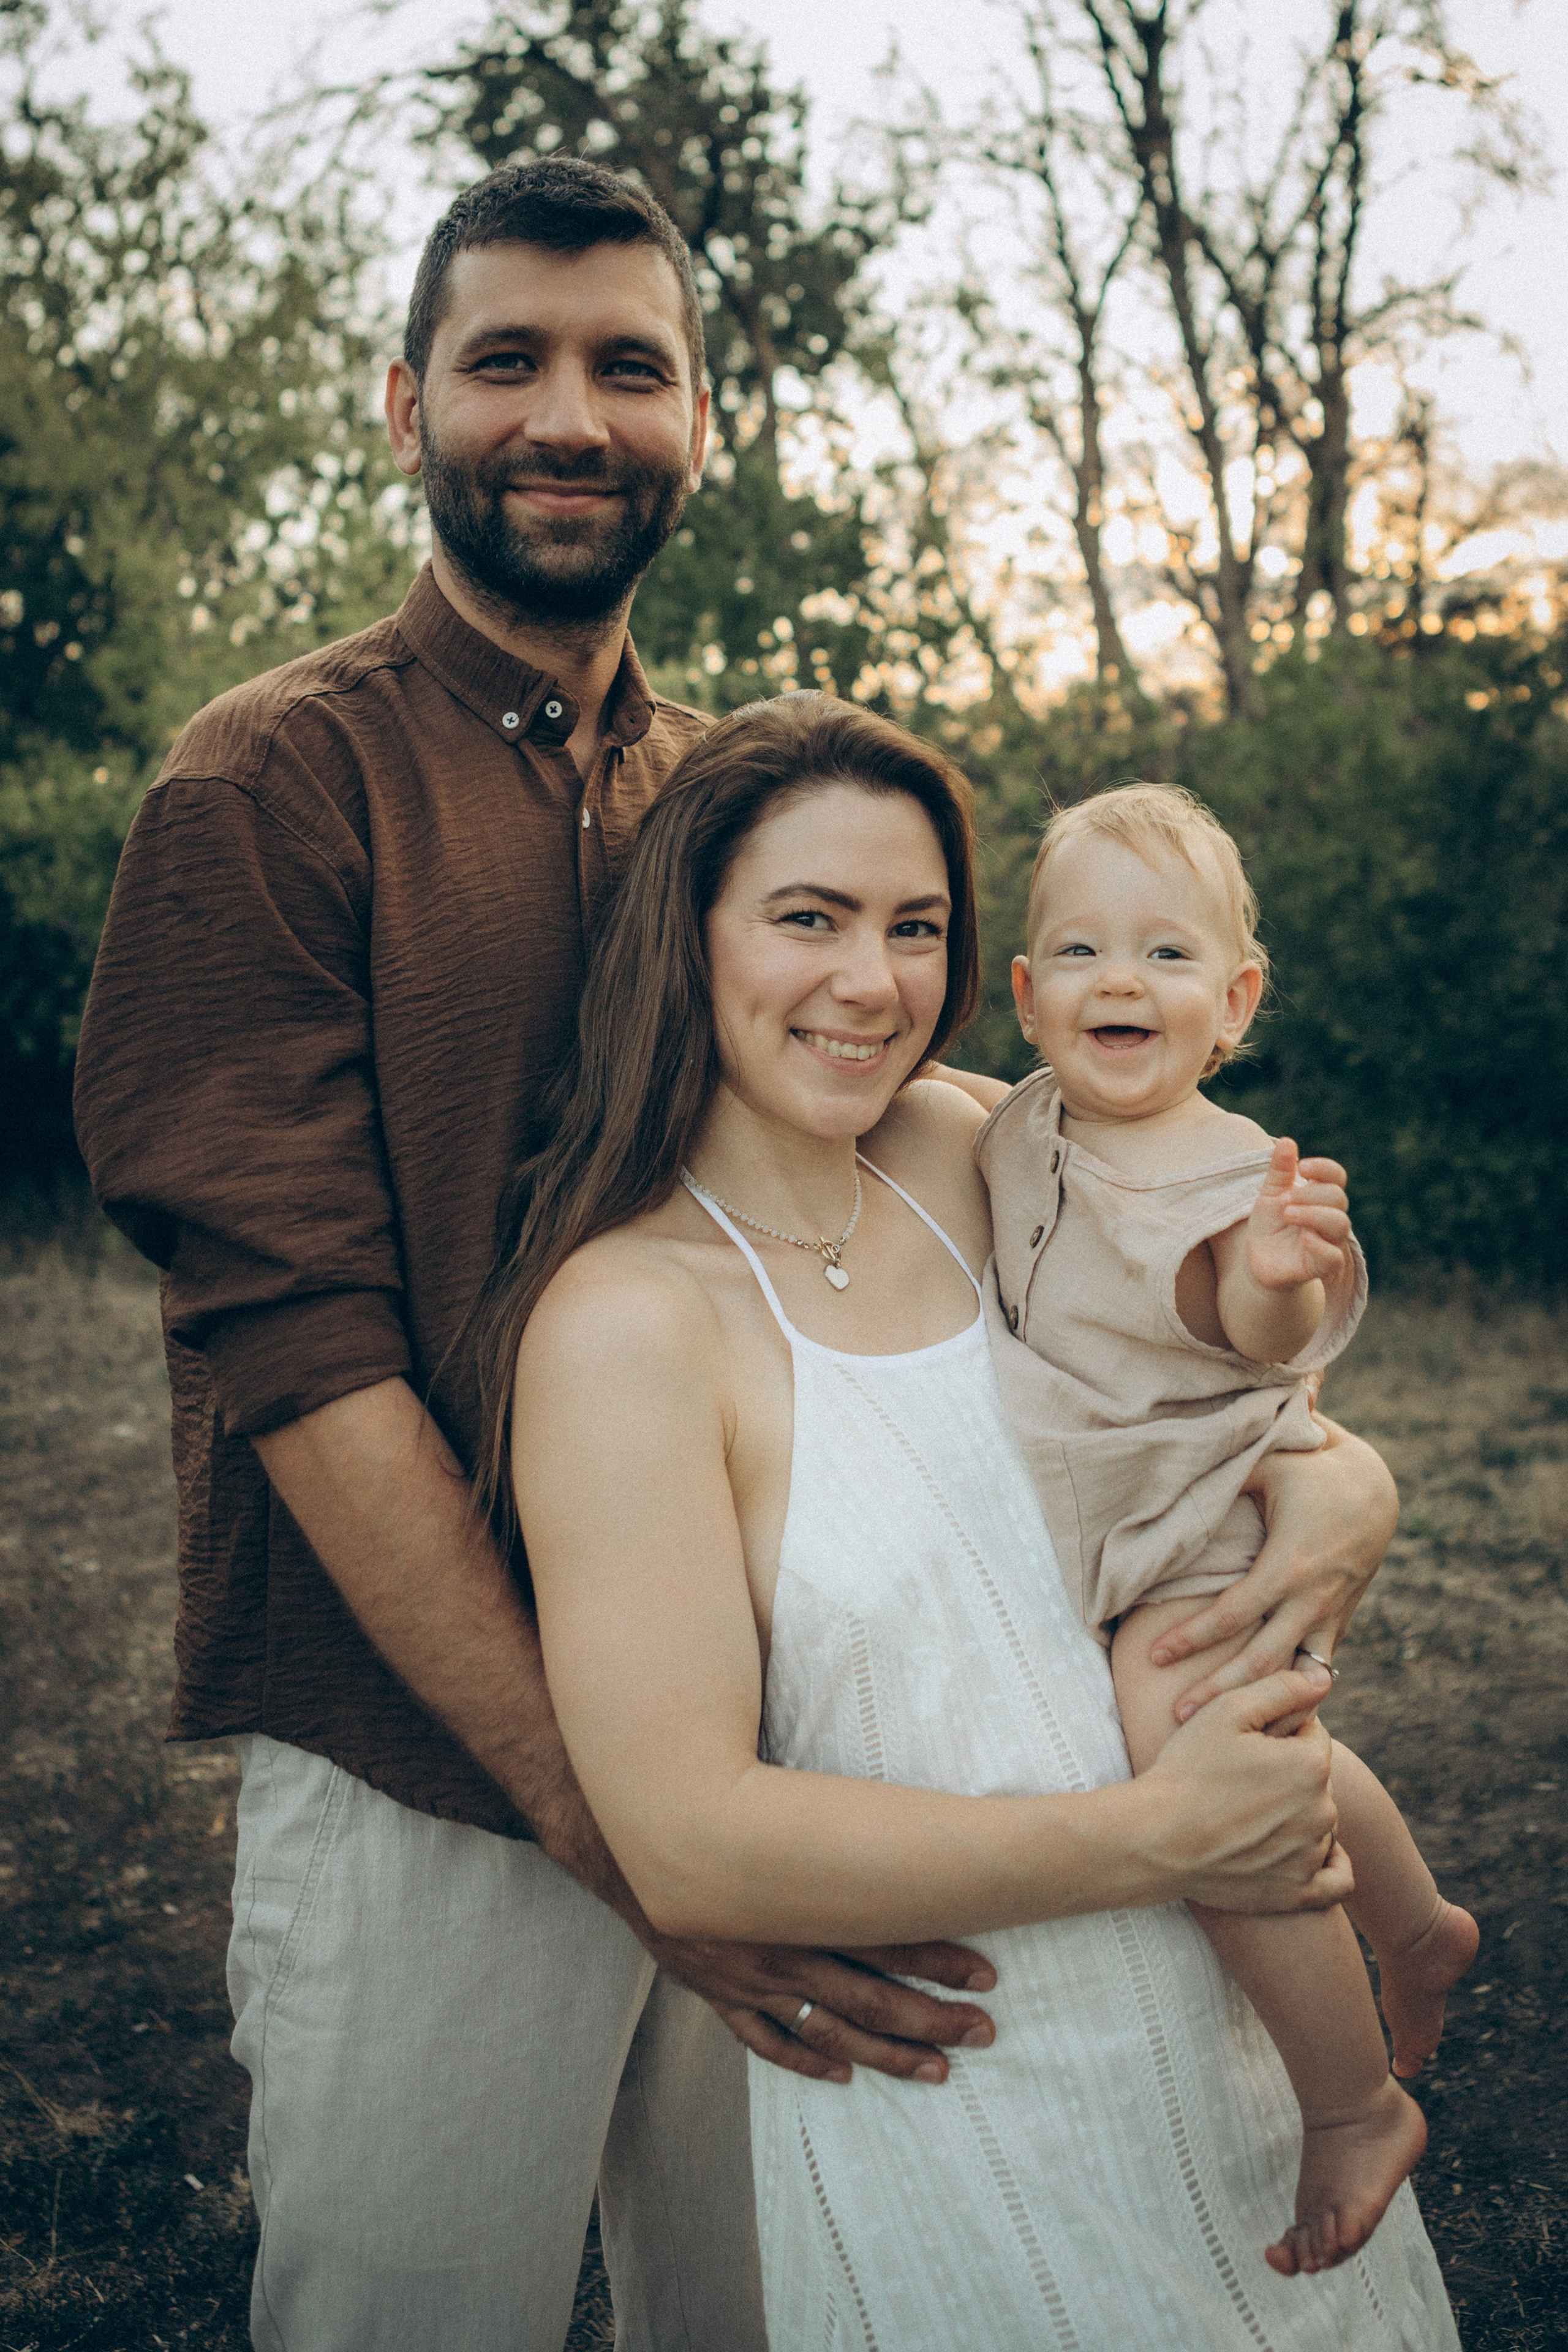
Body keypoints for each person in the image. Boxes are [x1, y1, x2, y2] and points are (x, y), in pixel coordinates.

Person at [73, 157, 1016, 2352]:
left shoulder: (731, 807)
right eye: (507, 361)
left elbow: (923, 1171)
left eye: (629, 366)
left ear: (706, 419)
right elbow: (297, 1363)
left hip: (776, 1745)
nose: (569, 415)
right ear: (406, 405)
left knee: (774, 2318)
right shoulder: (271, 788)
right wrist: (622, 1832)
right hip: (441, 1769)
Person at [484, 690, 1459, 2348]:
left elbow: (1188, 1374)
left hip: (1241, 2012)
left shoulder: (978, 1146)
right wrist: (1158, 1840)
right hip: (968, 2083)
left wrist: (1337, 1478)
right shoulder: (622, 1323)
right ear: (688, 936)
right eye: (809, 919)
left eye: (914, 926)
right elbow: (689, 1837)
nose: (871, 982)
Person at [975, 782, 1479, 2277]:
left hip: (1195, 1510)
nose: (1117, 981)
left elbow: (1253, 1322)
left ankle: (1345, 2102)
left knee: (1193, 1760)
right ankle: (1414, 1923)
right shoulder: (1017, 1121)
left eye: (1164, 956)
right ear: (1021, 993)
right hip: (1109, 1511)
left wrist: (1273, 1271)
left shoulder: (1219, 1168)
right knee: (1279, 1751)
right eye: (1074, 952)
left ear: (1234, 999)